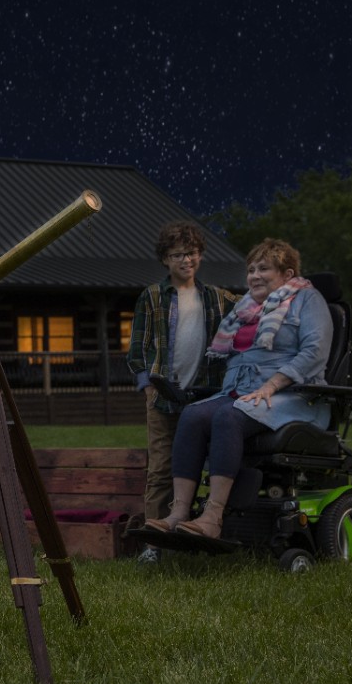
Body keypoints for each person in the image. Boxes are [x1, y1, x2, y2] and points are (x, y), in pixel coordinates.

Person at [145, 238, 333, 540]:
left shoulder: (307, 300)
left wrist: (272, 385)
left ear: (287, 274)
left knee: (227, 418)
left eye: (264, 269)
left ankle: (213, 517)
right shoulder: (247, 308)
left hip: (293, 396)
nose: (254, 276)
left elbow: (314, 353)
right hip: (241, 392)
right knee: (192, 415)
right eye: (251, 269)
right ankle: (179, 513)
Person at [126, 221, 238, 562]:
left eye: (190, 253)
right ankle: (154, 544)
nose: (185, 260)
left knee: (206, 464)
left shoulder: (220, 299)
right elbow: (137, 348)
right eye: (177, 255)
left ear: (200, 255)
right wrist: (147, 386)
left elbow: (253, 315)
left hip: (205, 396)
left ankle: (205, 529)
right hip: (163, 396)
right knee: (161, 468)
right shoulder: (152, 296)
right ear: (165, 259)